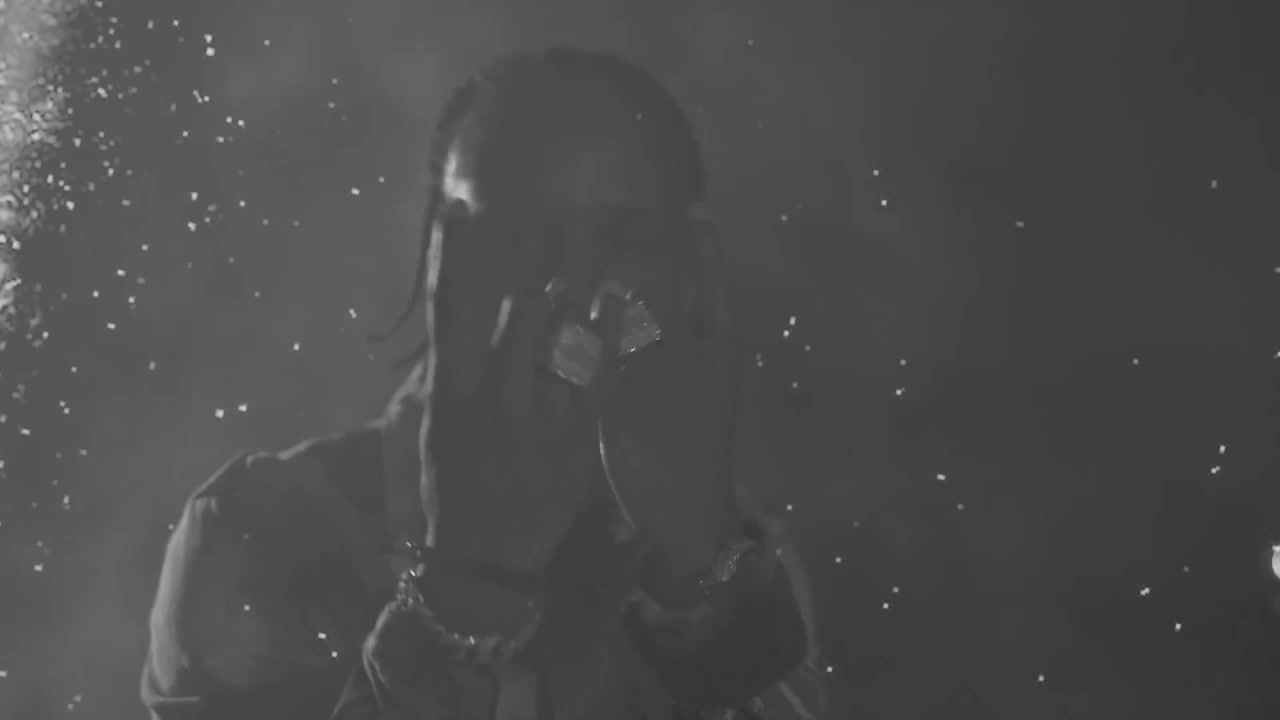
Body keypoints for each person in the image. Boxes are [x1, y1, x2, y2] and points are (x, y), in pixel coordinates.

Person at [140, 46, 828, 720]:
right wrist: (465, 585)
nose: (573, 287)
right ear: (441, 260)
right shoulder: (266, 530)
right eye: (520, 237)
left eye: (625, 242)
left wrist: (701, 568)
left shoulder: (735, 552)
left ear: (688, 276)